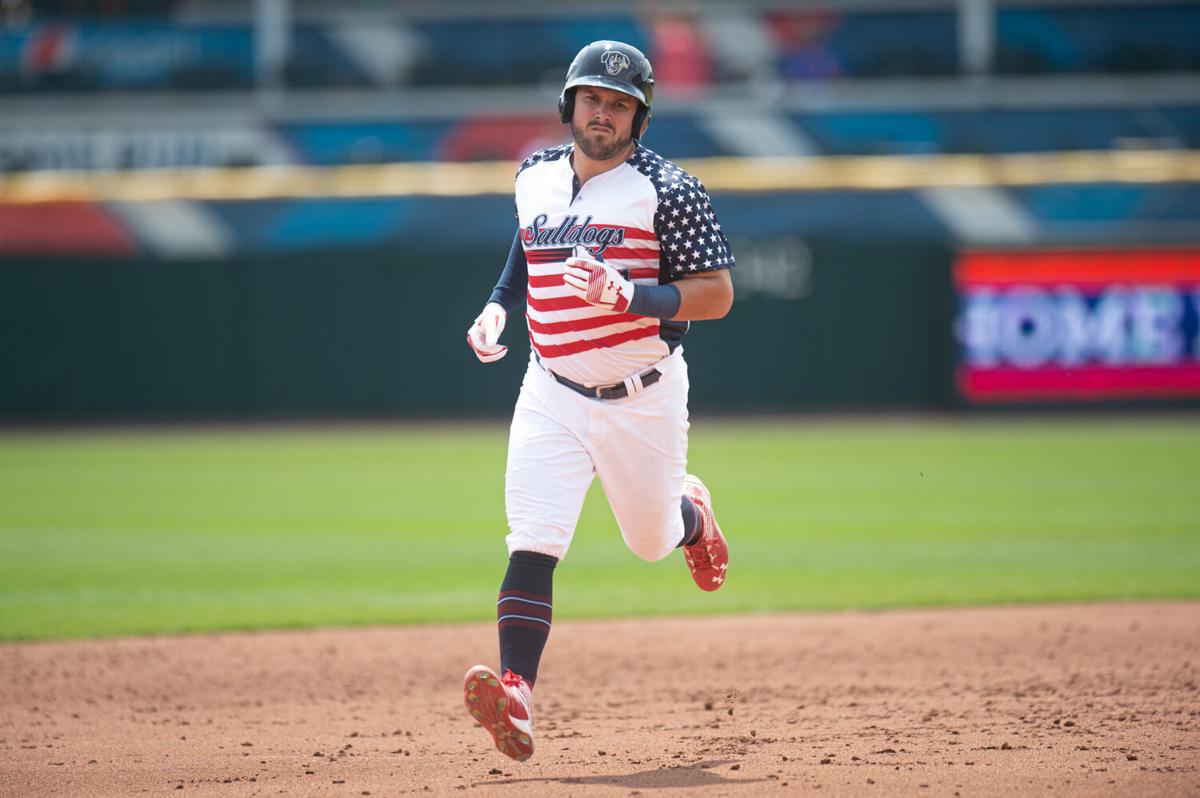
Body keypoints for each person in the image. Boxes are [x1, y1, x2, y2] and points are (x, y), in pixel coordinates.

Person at [462, 40, 735, 763]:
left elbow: (718, 295)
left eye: (619, 104)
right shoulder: (535, 174)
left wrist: (632, 295)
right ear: (569, 104)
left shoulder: (668, 190)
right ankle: (516, 690)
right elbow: (527, 247)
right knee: (533, 536)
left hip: (641, 394)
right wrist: (497, 305)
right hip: (550, 387)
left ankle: (691, 515)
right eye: (593, 99)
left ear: (639, 118)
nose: (603, 114)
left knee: (649, 541)